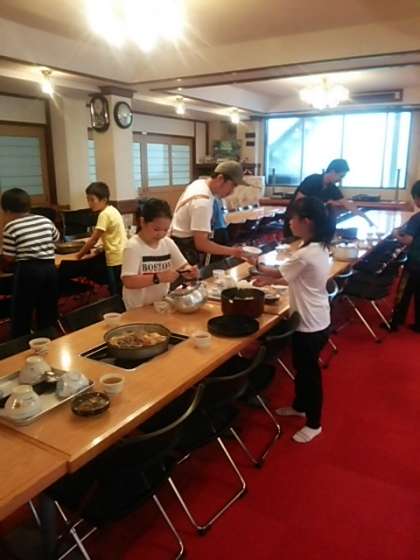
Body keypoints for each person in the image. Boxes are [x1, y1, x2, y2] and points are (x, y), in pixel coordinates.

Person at [252, 197, 335, 443]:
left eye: (292, 219)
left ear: (306, 221)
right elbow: (292, 276)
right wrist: (267, 278)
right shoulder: (318, 246)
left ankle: (314, 423)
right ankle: (300, 406)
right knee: (301, 367)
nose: (289, 222)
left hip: (310, 323)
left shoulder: (306, 253)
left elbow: (278, 271)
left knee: (310, 375)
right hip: (316, 317)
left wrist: (256, 263)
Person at [1, 188, 60, 337]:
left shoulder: (11, 227)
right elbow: (56, 239)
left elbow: (8, 257)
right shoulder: (45, 220)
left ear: (7, 210)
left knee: (22, 308)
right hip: (50, 268)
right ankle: (48, 336)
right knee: (47, 305)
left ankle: (21, 340)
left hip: (28, 271)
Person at [121, 198, 198, 310]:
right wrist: (158, 278)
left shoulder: (167, 243)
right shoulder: (133, 246)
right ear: (142, 222)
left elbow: (182, 266)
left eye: (165, 230)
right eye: (156, 229)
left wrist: (189, 271)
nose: (161, 234)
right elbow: (128, 281)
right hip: (137, 307)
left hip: (160, 302)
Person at [170, 161, 247, 265]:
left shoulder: (199, 183)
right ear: (220, 179)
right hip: (184, 249)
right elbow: (202, 244)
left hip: (176, 240)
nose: (232, 192)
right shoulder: (202, 202)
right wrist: (233, 251)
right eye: (232, 185)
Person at [283, 159, 373, 237]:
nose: (340, 180)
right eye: (341, 176)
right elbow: (299, 201)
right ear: (333, 171)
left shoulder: (332, 188)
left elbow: (348, 204)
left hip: (310, 224)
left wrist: (368, 220)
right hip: (295, 220)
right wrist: (323, 204)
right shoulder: (313, 179)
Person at [77, 182, 126, 295]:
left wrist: (78, 256)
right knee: (121, 288)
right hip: (122, 253)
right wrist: (101, 249)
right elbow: (113, 235)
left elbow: (93, 240)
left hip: (114, 257)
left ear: (104, 199)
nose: (89, 203)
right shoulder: (113, 210)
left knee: (115, 290)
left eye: (92, 200)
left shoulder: (104, 215)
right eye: (88, 200)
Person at [390, 180, 420, 332]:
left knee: (404, 292)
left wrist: (396, 235)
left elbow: (408, 240)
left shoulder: (417, 218)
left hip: (415, 262)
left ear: (417, 198)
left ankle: (396, 321)